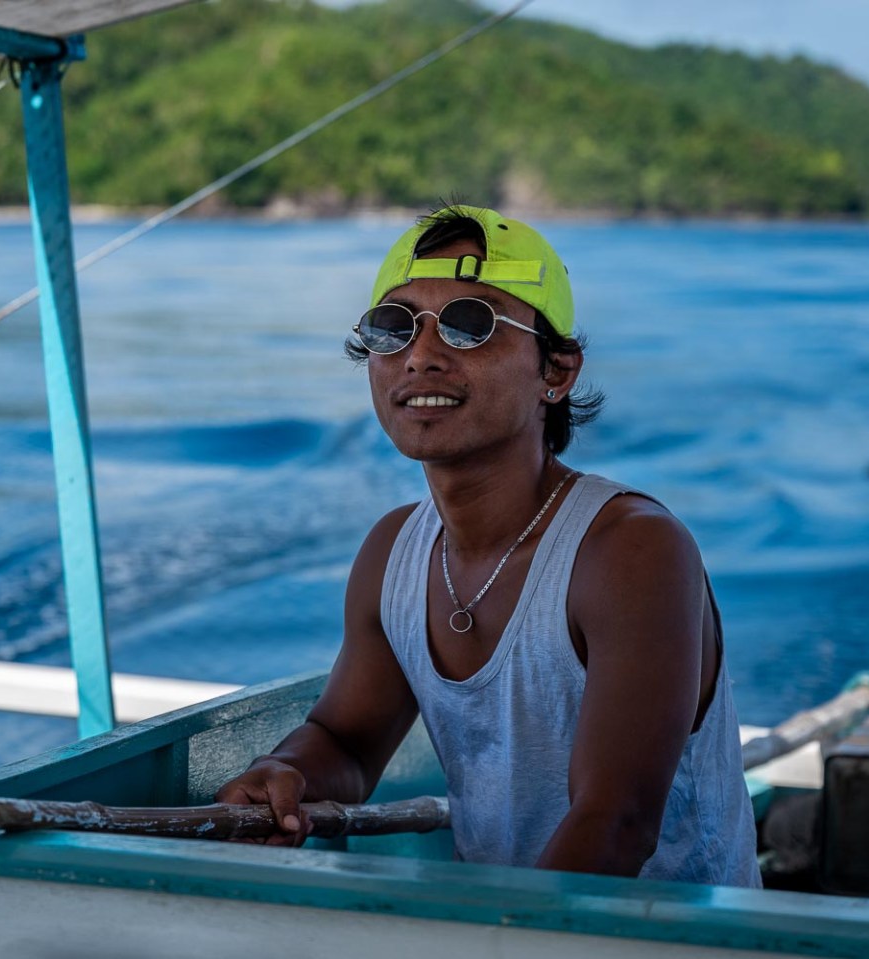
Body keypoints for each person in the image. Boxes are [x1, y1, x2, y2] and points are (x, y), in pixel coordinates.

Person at [216, 204, 760, 885]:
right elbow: (347, 743)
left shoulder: (632, 552)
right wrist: (288, 770)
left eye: (469, 325)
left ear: (556, 373)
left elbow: (616, 825)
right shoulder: (394, 554)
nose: (420, 355)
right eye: (393, 327)